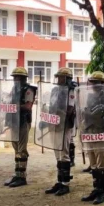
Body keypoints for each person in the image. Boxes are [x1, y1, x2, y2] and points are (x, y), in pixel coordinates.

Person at [79, 71, 104, 205]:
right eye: (92, 82)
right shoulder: (90, 97)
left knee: (101, 163)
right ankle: (95, 189)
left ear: (102, 84)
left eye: (96, 82)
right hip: (90, 131)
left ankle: (102, 192)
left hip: (100, 131)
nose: (93, 85)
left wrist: (91, 114)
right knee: (93, 163)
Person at [44, 68, 77, 196]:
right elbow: (51, 105)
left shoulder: (71, 90)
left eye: (61, 77)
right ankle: (59, 181)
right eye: (57, 77)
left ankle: (65, 184)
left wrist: (57, 113)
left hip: (64, 124)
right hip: (54, 123)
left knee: (64, 154)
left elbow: (70, 108)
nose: (58, 80)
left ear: (67, 78)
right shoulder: (55, 90)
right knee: (57, 154)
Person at [3, 67, 37, 188]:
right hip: (13, 121)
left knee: (21, 149)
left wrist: (14, 106)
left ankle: (22, 177)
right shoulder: (14, 89)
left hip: (23, 121)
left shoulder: (29, 90)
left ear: (23, 78)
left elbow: (28, 106)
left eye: (17, 77)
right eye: (14, 77)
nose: (15, 79)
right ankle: (17, 174)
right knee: (16, 148)